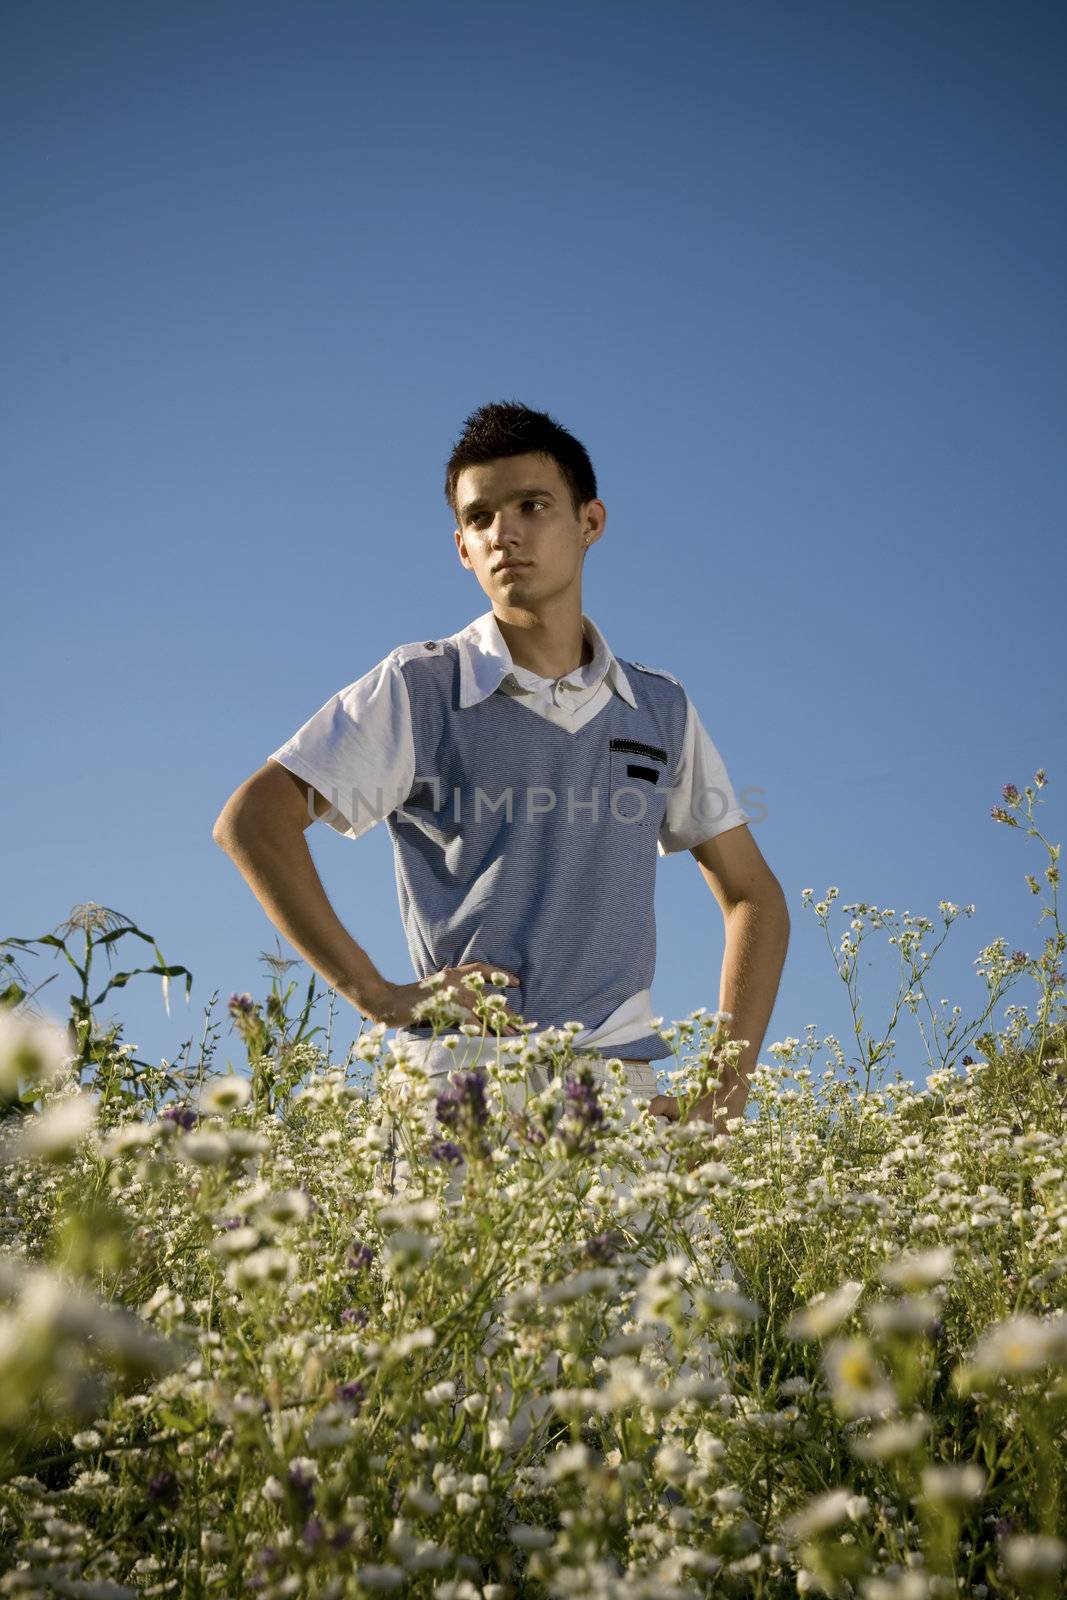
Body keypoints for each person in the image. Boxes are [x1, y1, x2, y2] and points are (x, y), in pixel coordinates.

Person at [212, 399, 790, 1141]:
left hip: (618, 1085)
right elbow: (252, 822)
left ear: (590, 522)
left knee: (681, 1264)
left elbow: (753, 897)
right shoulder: (419, 686)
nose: (504, 533)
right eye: (480, 518)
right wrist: (379, 996)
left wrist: (723, 1093)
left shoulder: (658, 707)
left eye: (531, 506)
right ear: (460, 547)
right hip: (465, 1082)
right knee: (464, 1266)